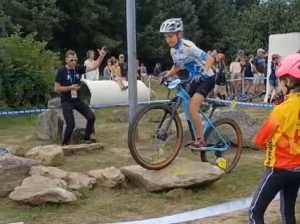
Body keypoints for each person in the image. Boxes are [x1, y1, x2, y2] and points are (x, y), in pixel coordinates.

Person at [248, 53, 300, 224]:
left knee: (255, 212)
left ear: (288, 82)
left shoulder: (280, 110)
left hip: (278, 169)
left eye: (281, 80)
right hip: (297, 168)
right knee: (288, 213)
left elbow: (259, 140)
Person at [159, 18, 215, 150]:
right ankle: (200, 129)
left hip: (207, 78)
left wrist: (204, 73)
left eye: (171, 36)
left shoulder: (188, 46)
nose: (168, 40)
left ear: (179, 34)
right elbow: (178, 67)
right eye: (166, 37)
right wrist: (167, 75)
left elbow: (210, 58)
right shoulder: (173, 50)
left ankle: (200, 139)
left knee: (192, 107)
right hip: (194, 79)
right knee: (186, 105)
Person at [54, 48, 106, 146]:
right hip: (66, 101)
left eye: (75, 60)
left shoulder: (78, 68)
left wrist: (101, 56)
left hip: (77, 100)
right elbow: (56, 88)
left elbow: (94, 67)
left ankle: (86, 138)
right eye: (71, 60)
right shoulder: (61, 71)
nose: (73, 62)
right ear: (66, 60)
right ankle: (65, 143)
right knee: (71, 124)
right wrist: (70, 88)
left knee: (91, 117)